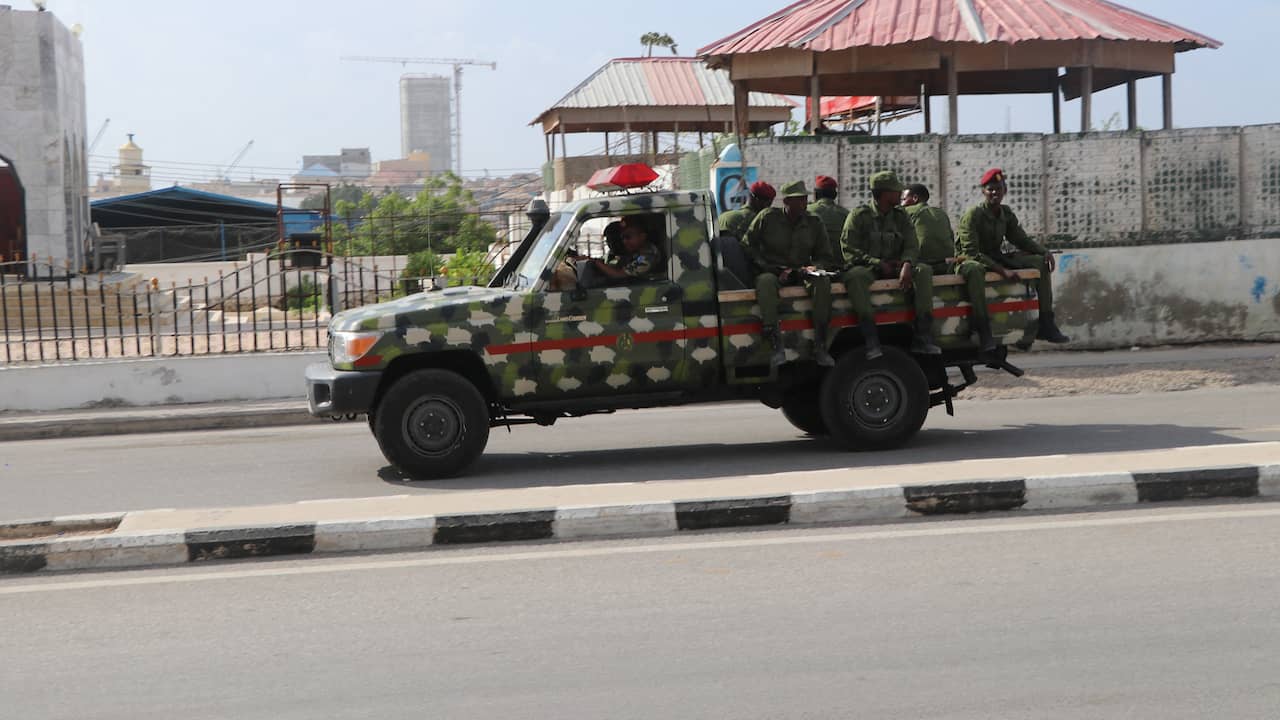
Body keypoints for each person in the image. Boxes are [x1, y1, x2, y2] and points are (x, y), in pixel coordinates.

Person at [954, 168, 1069, 347]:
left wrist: (1043, 251)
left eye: (998, 189)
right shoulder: (973, 215)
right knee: (975, 270)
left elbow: (1020, 239)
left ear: (1004, 191)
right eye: (990, 189)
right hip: (972, 261)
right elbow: (971, 253)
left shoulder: (1005, 213)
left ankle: (1046, 324)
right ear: (983, 191)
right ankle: (982, 329)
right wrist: (1003, 271)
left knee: (1039, 263)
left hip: (995, 258)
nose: (995, 193)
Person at [840, 171, 941, 359]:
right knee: (854, 276)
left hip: (896, 267)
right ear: (885, 194)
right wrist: (876, 263)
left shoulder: (901, 216)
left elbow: (912, 244)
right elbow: (848, 249)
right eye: (896, 190)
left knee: (924, 271)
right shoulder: (859, 215)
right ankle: (871, 339)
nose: (900, 194)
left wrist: (907, 264)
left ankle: (923, 337)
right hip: (869, 268)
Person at [742, 180, 838, 368]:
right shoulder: (767, 218)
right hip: (774, 271)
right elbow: (747, 245)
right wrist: (769, 267)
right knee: (765, 282)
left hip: (802, 271)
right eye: (799, 200)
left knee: (822, 282)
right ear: (786, 201)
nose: (804, 203)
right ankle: (776, 345)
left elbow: (825, 256)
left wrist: (812, 267)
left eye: (805, 199)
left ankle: (820, 345)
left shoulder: (814, 222)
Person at [577, 217, 661, 287]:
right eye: (622, 238)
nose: (624, 241)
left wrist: (596, 262)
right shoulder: (636, 252)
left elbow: (619, 274)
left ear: (642, 237)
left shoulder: (648, 255)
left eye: (628, 237)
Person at [808, 174, 848, 259]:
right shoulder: (846, 214)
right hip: (840, 263)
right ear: (835, 195)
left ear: (816, 193)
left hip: (814, 264)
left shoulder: (807, 211)